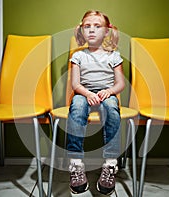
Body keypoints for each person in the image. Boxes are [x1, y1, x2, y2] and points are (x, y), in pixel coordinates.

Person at [66, 10, 125, 195]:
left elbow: (120, 84)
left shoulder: (114, 56)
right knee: (77, 106)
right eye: (87, 26)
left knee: (112, 110)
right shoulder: (78, 56)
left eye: (97, 26)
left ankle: (110, 165)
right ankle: (76, 165)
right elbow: (75, 84)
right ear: (82, 31)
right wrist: (87, 93)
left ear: (107, 31)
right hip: (84, 93)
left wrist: (109, 91)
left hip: (107, 94)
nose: (91, 30)